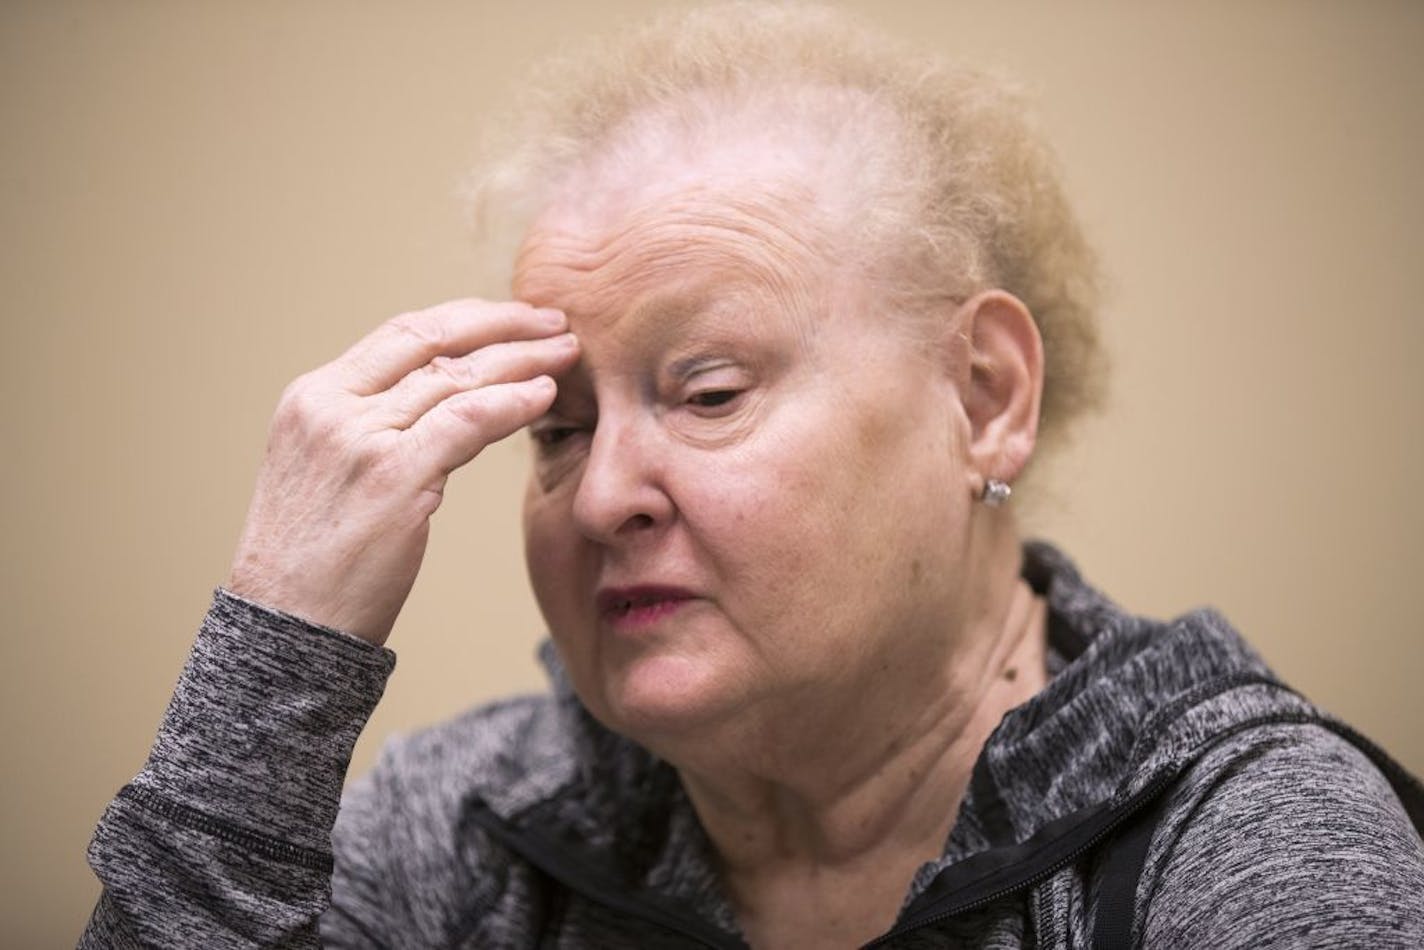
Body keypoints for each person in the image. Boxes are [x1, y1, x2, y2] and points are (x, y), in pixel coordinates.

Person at [83, 4, 1424, 948]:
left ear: (986, 399)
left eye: (709, 392)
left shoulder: (1244, 839)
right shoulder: (470, 831)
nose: (604, 493)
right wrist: (280, 645)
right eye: (556, 426)